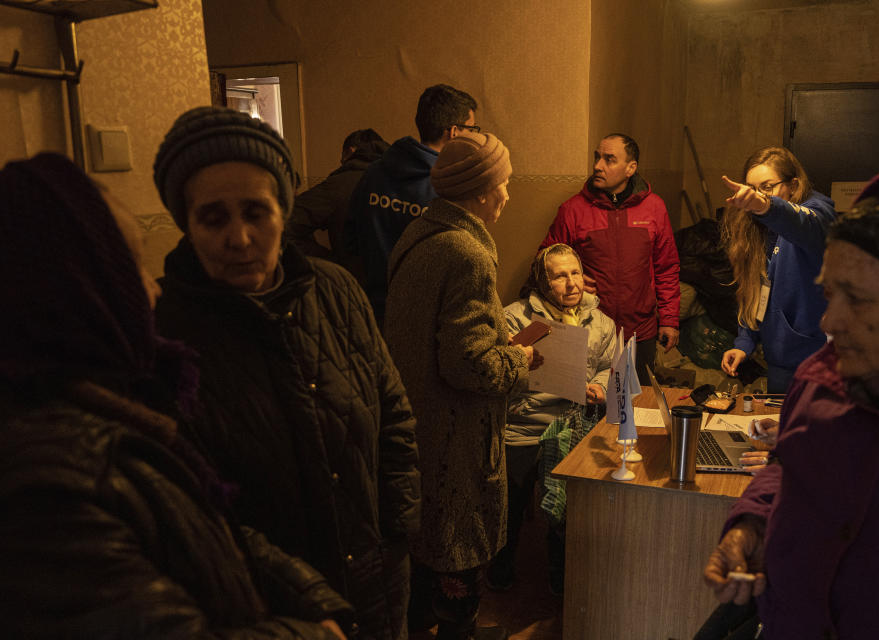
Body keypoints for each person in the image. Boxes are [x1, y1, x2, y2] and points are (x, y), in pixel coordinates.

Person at [0, 152, 353, 638]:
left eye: (256, 211)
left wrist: (311, 597)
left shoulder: (118, 400)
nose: (150, 290)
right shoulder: (50, 477)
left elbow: (202, 527)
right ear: (75, 290)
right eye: (130, 267)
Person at [152, 107, 420, 640]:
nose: (241, 237)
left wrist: (398, 527)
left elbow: (393, 413)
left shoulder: (336, 291)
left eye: (257, 211)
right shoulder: (164, 335)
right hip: (266, 609)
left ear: (285, 207)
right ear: (185, 222)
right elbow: (187, 508)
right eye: (213, 217)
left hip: (376, 582)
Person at [702, 173, 879, 640]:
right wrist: (754, 525)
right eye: (828, 293)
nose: (829, 322)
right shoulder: (820, 377)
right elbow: (792, 465)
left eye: (858, 300)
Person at [384, 132, 537, 640]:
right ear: (480, 191)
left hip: (418, 426)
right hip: (456, 441)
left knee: (423, 563)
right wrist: (520, 356)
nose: (508, 195)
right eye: (504, 184)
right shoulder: (467, 252)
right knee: (456, 560)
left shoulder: (418, 234)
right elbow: (469, 365)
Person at [486, 243, 615, 593]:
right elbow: (499, 372)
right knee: (510, 499)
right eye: (560, 276)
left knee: (571, 507)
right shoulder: (515, 317)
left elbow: (607, 368)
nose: (571, 283)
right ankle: (501, 565)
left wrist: (600, 389)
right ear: (542, 283)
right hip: (526, 423)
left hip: (575, 425)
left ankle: (562, 574)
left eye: (575, 273)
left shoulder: (602, 322)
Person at [540, 133, 680, 383]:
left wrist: (669, 320)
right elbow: (544, 262)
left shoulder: (654, 208)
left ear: (630, 168)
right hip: (589, 329)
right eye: (597, 157)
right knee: (593, 410)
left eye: (609, 159)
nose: (597, 166)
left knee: (635, 406)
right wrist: (572, 277)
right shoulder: (573, 210)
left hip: (641, 330)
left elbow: (666, 267)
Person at [343, 84, 478, 323]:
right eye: (472, 128)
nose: (475, 136)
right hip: (423, 317)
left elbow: (350, 239)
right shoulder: (446, 186)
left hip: (372, 308)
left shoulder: (374, 173)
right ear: (454, 132)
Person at [719, 146, 837, 393]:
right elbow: (758, 291)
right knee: (776, 430)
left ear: (793, 185)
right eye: (752, 188)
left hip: (819, 364)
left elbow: (803, 222)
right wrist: (744, 342)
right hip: (780, 364)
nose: (758, 195)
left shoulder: (817, 213)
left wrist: (766, 206)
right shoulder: (756, 228)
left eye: (767, 186)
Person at [287, 128, 389, 263]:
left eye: (342, 158)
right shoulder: (400, 181)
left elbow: (286, 225)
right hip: (396, 279)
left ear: (350, 151)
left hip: (352, 280)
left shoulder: (339, 185)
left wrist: (330, 262)